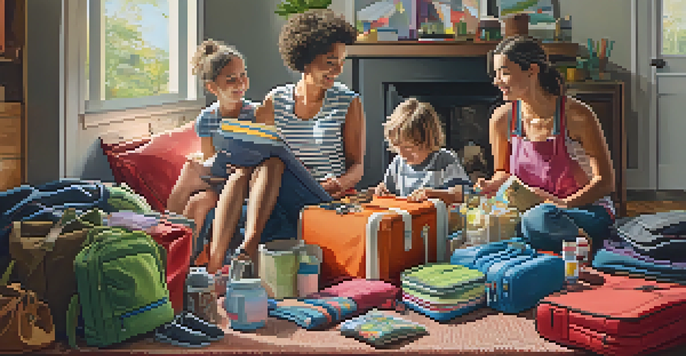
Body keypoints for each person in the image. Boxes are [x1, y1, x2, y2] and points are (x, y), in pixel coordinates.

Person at [203, 9, 365, 273]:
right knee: (257, 165)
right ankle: (215, 266)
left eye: (342, 62)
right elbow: (256, 149)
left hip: (320, 191)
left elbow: (357, 165)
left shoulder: (348, 102)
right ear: (306, 60)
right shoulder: (275, 100)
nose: (338, 70)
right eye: (330, 61)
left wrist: (341, 183)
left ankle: (248, 248)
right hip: (275, 187)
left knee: (274, 161)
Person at [476, 36, 616, 254]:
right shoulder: (502, 119)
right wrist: (490, 185)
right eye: (495, 74)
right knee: (489, 221)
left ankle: (579, 245)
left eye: (504, 72)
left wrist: (563, 204)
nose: (497, 81)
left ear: (532, 70)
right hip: (534, 211)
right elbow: (502, 172)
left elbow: (605, 182)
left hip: (582, 210)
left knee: (535, 219)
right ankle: (568, 245)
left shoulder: (577, 116)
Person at [166, 40, 267, 252]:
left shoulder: (255, 114)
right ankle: (179, 254)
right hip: (217, 183)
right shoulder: (208, 118)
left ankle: (164, 230)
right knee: (198, 202)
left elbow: (264, 157)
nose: (240, 83)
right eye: (231, 79)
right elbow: (209, 156)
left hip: (245, 182)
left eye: (243, 75)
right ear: (212, 87)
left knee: (190, 170)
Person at [374, 98, 470, 205]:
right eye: (397, 147)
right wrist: (381, 189)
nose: (402, 154)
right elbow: (388, 188)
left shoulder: (444, 160)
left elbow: (462, 195)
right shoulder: (398, 164)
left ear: (428, 142)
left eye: (408, 148)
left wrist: (432, 194)